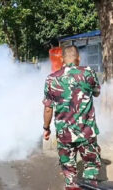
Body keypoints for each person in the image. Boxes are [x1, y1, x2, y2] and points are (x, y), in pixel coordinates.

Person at [42, 46, 101, 190]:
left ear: (61, 59)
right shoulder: (89, 73)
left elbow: (48, 108)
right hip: (87, 132)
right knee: (91, 166)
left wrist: (46, 128)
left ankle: (71, 185)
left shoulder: (51, 79)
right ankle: (89, 185)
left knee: (69, 171)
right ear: (78, 58)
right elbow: (97, 93)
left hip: (64, 134)